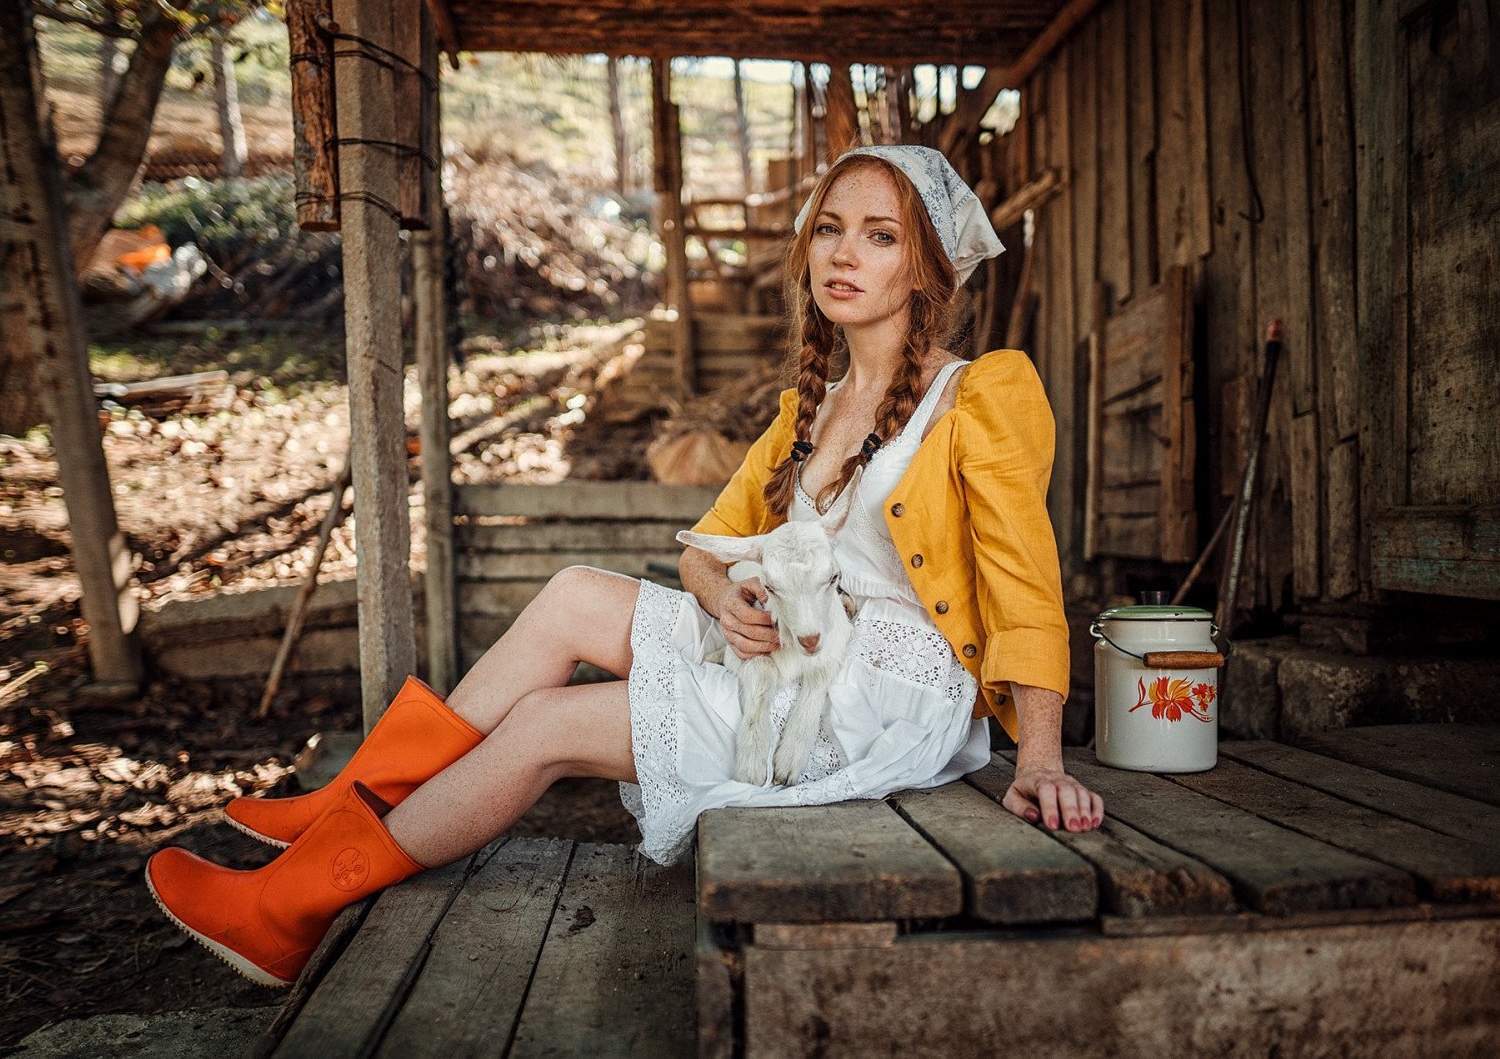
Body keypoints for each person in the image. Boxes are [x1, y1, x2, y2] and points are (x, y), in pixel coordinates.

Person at [145, 144, 1105, 989]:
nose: (843, 254)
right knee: (572, 594)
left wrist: (1040, 761)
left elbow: (1027, 583)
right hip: (788, 648)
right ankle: (349, 802)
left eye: (880, 236)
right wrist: (725, 597)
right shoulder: (806, 410)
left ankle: (287, 909)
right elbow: (705, 548)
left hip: (880, 694)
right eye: (829, 229)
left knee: (546, 724)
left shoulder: (980, 395)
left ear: (929, 267)